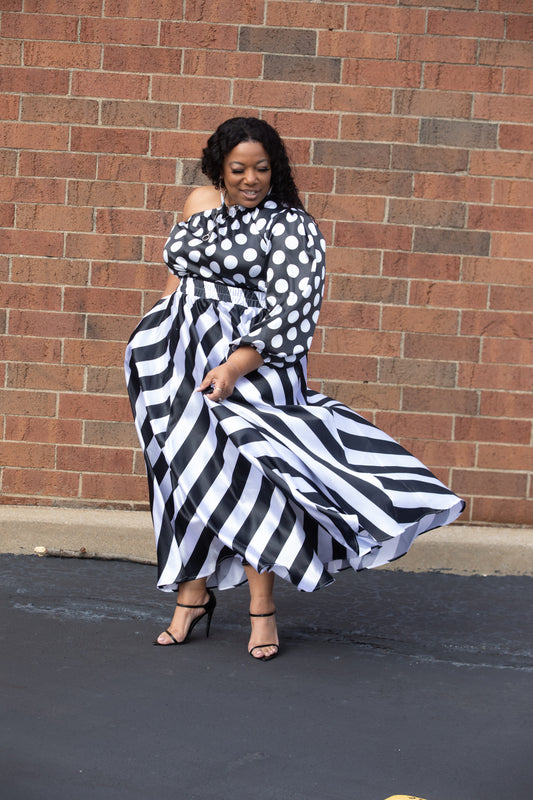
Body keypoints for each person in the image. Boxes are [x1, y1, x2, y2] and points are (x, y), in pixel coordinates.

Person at [125, 117, 464, 661]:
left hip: (256, 365)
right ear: (220, 167)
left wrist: (234, 367)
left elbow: (292, 313)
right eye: (238, 169)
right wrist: (153, 335)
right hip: (178, 361)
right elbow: (179, 276)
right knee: (184, 476)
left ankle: (263, 610)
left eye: (261, 168)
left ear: (275, 169)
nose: (250, 179)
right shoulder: (198, 203)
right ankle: (191, 594)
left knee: (257, 476)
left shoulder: (291, 225)